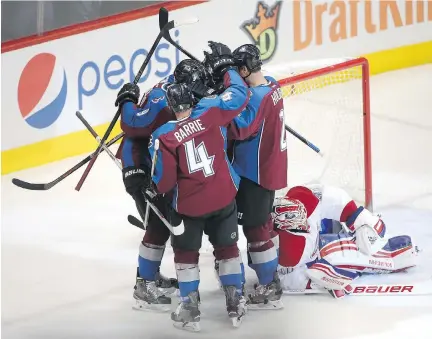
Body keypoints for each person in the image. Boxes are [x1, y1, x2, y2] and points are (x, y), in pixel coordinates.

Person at [147, 41, 250, 332]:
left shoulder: (163, 136)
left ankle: (190, 307)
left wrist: (152, 185)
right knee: (227, 247)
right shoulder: (212, 111)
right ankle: (235, 300)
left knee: (186, 254)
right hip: (223, 197)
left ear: (171, 105)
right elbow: (239, 97)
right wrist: (228, 69)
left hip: (190, 206)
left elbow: (165, 182)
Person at [115, 59, 211, 311]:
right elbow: (132, 124)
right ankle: (144, 285)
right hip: (140, 167)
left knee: (161, 224)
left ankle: (150, 275)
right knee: (158, 226)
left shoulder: (176, 90)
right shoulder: (162, 97)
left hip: (158, 164)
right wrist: (126, 100)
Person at [223, 44, 287, 309]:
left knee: (256, 230)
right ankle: (270, 275)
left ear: (245, 69)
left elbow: (239, 129)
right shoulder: (271, 85)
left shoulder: (259, 97)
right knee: (262, 223)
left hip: (254, 172)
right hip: (269, 168)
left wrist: (227, 90)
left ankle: (269, 284)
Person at [272, 184, 418, 298]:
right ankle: (389, 254)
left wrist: (360, 218)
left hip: (314, 240)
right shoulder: (290, 255)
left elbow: (330, 197)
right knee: (344, 250)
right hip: (308, 257)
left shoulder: (308, 200)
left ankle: (380, 248)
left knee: (361, 237)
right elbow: (288, 279)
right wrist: (319, 281)